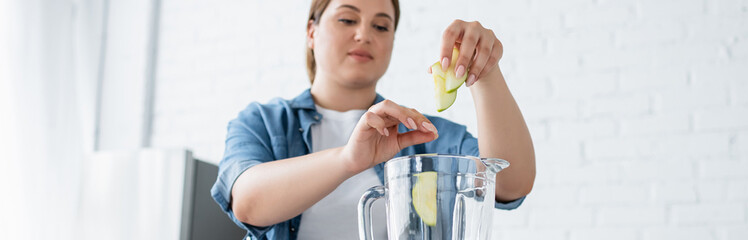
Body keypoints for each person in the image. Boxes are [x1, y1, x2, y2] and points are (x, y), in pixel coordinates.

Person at [210, 0, 536, 239]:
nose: (364, 34)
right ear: (312, 31)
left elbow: (511, 182)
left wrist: (485, 71)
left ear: (393, 41)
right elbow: (248, 204)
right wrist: (348, 160)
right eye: (347, 20)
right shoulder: (263, 122)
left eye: (381, 26)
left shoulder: (422, 134)